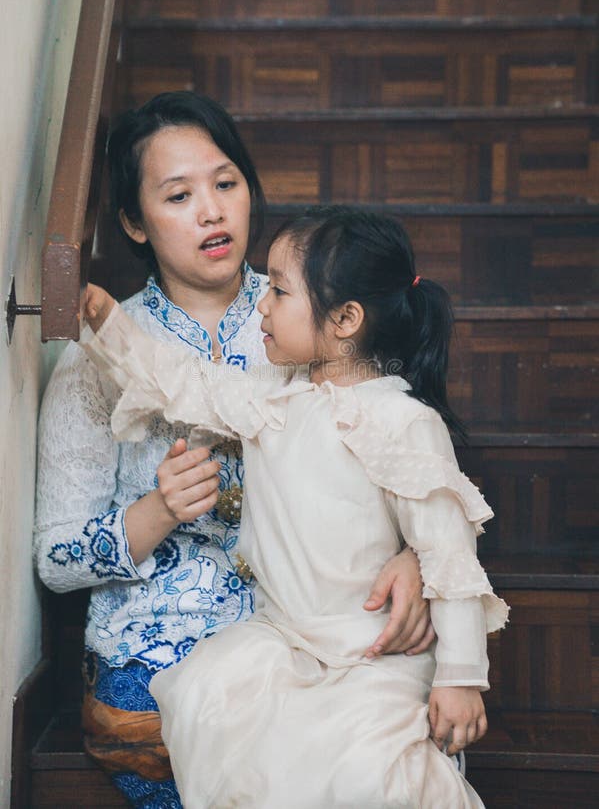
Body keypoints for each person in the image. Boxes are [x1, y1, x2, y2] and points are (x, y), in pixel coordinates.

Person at [35, 93, 433, 809]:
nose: (212, 212)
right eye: (179, 195)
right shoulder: (102, 354)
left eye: (225, 183)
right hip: (162, 646)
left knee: (385, 758)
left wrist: (414, 554)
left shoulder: (315, 317)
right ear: (133, 220)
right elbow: (56, 559)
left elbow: (406, 455)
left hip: (316, 628)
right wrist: (155, 512)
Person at [81, 207, 509, 808]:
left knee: (369, 767)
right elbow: (186, 382)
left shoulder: (401, 422)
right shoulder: (271, 401)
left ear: (344, 320)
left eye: (279, 290)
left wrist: (461, 677)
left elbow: (448, 555)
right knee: (208, 695)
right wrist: (111, 329)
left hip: (372, 651)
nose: (261, 303)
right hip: (280, 638)